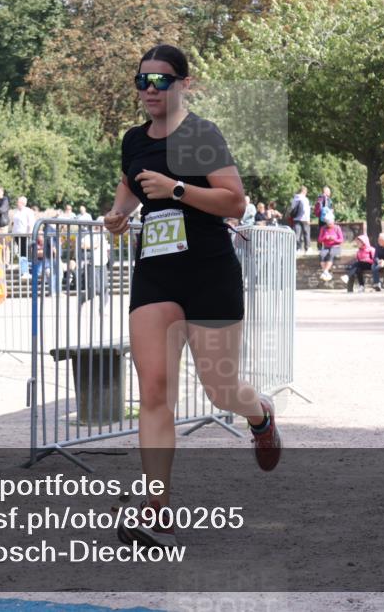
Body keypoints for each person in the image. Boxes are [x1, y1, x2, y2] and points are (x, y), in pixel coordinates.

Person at [103, 44, 281, 548]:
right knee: (154, 392)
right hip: (156, 275)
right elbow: (129, 187)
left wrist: (176, 189)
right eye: (141, 81)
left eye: (159, 81)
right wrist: (118, 215)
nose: (148, 91)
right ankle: (157, 511)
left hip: (207, 271)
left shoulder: (200, 135)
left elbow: (234, 201)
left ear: (184, 83)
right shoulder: (134, 140)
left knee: (219, 391)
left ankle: (259, 414)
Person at [317, 213, 344, 281]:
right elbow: (319, 239)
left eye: (331, 224)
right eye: (328, 224)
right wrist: (325, 238)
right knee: (322, 255)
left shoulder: (337, 228)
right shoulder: (323, 228)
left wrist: (334, 239)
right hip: (326, 246)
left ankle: (325, 272)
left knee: (331, 254)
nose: (329, 225)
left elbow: (341, 240)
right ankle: (326, 272)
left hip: (336, 246)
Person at [290, 186, 310, 252]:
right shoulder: (305, 199)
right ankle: (307, 248)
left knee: (297, 234)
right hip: (304, 219)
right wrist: (308, 219)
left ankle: (298, 248)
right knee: (306, 233)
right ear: (304, 191)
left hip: (296, 219)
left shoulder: (294, 198)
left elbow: (292, 208)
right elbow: (306, 210)